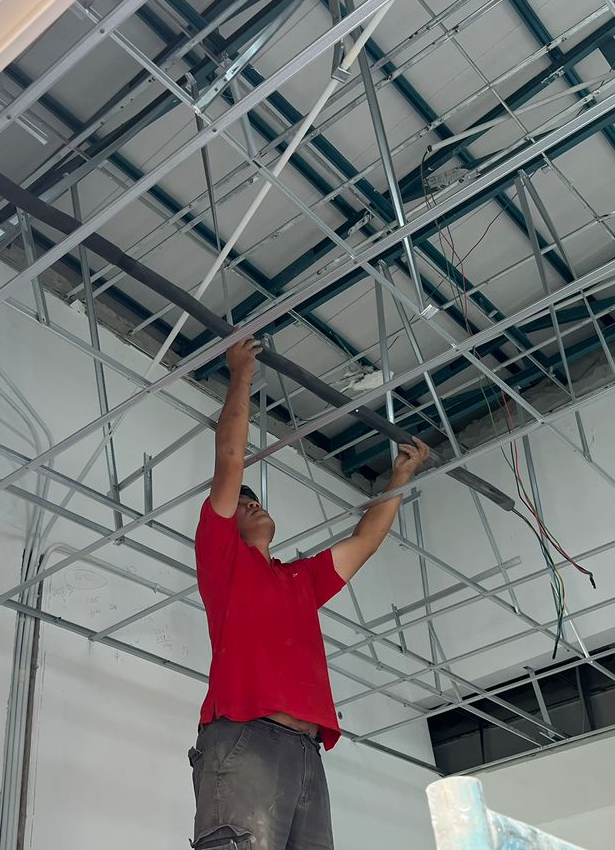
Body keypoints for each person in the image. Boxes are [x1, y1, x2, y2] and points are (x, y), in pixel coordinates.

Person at [188, 336, 430, 850]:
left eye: (255, 500)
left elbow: (364, 542)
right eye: (242, 504)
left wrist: (399, 477)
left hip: (306, 752)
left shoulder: (298, 580)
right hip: (246, 738)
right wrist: (241, 374)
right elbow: (230, 459)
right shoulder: (223, 562)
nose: (251, 504)